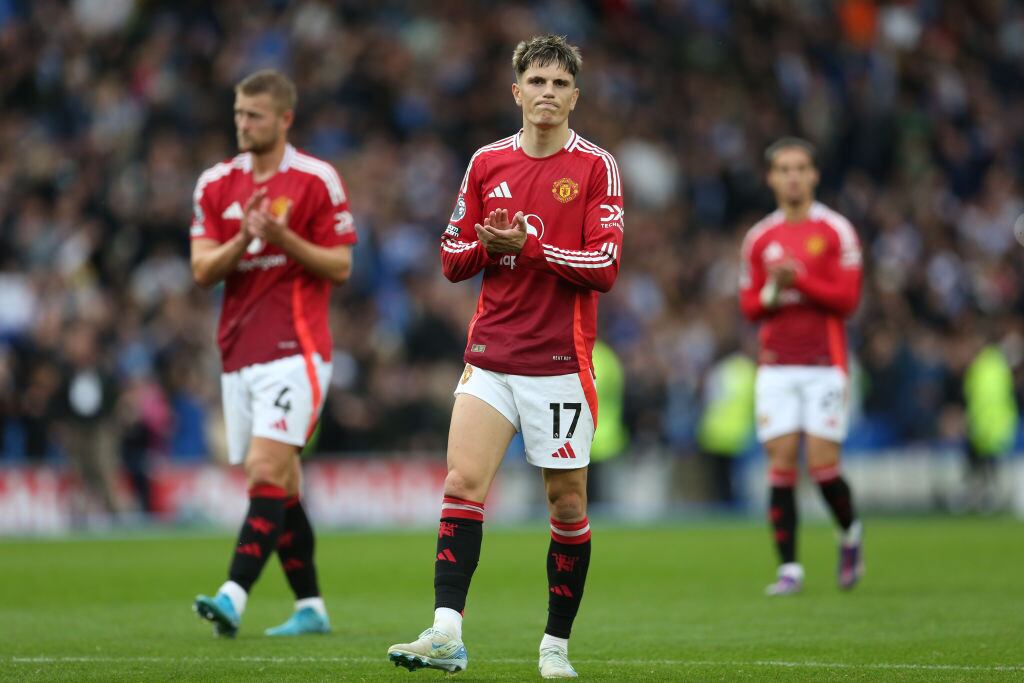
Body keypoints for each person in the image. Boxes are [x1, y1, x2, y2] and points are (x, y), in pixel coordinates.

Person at [387, 35, 623, 679]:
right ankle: (445, 634)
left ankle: (555, 645)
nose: (547, 93)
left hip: (559, 365)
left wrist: (534, 246)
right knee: (462, 486)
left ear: (576, 95)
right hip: (491, 356)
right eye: (537, 82)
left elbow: (604, 267)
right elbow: (451, 258)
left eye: (559, 84)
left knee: (567, 507)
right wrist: (494, 248)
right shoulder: (486, 162)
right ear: (516, 92)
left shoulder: (596, 166)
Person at [189, 70, 356, 637]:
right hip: (239, 354)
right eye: (238, 113)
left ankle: (232, 595)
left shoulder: (316, 181)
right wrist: (245, 239)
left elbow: (340, 265)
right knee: (281, 485)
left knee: (264, 468)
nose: (243, 123)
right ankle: (311, 606)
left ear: (285, 119)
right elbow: (201, 269)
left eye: (255, 115)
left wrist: (282, 238)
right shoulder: (215, 184)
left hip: (297, 350)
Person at [738, 137, 864, 596]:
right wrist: (774, 290)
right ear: (771, 178)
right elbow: (750, 307)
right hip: (775, 367)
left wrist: (800, 280)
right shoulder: (760, 237)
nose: (793, 176)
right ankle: (789, 568)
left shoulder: (835, 231)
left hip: (823, 364)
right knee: (781, 462)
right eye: (784, 169)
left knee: (824, 466)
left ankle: (850, 533)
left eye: (801, 168)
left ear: (814, 175)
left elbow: (848, 300)